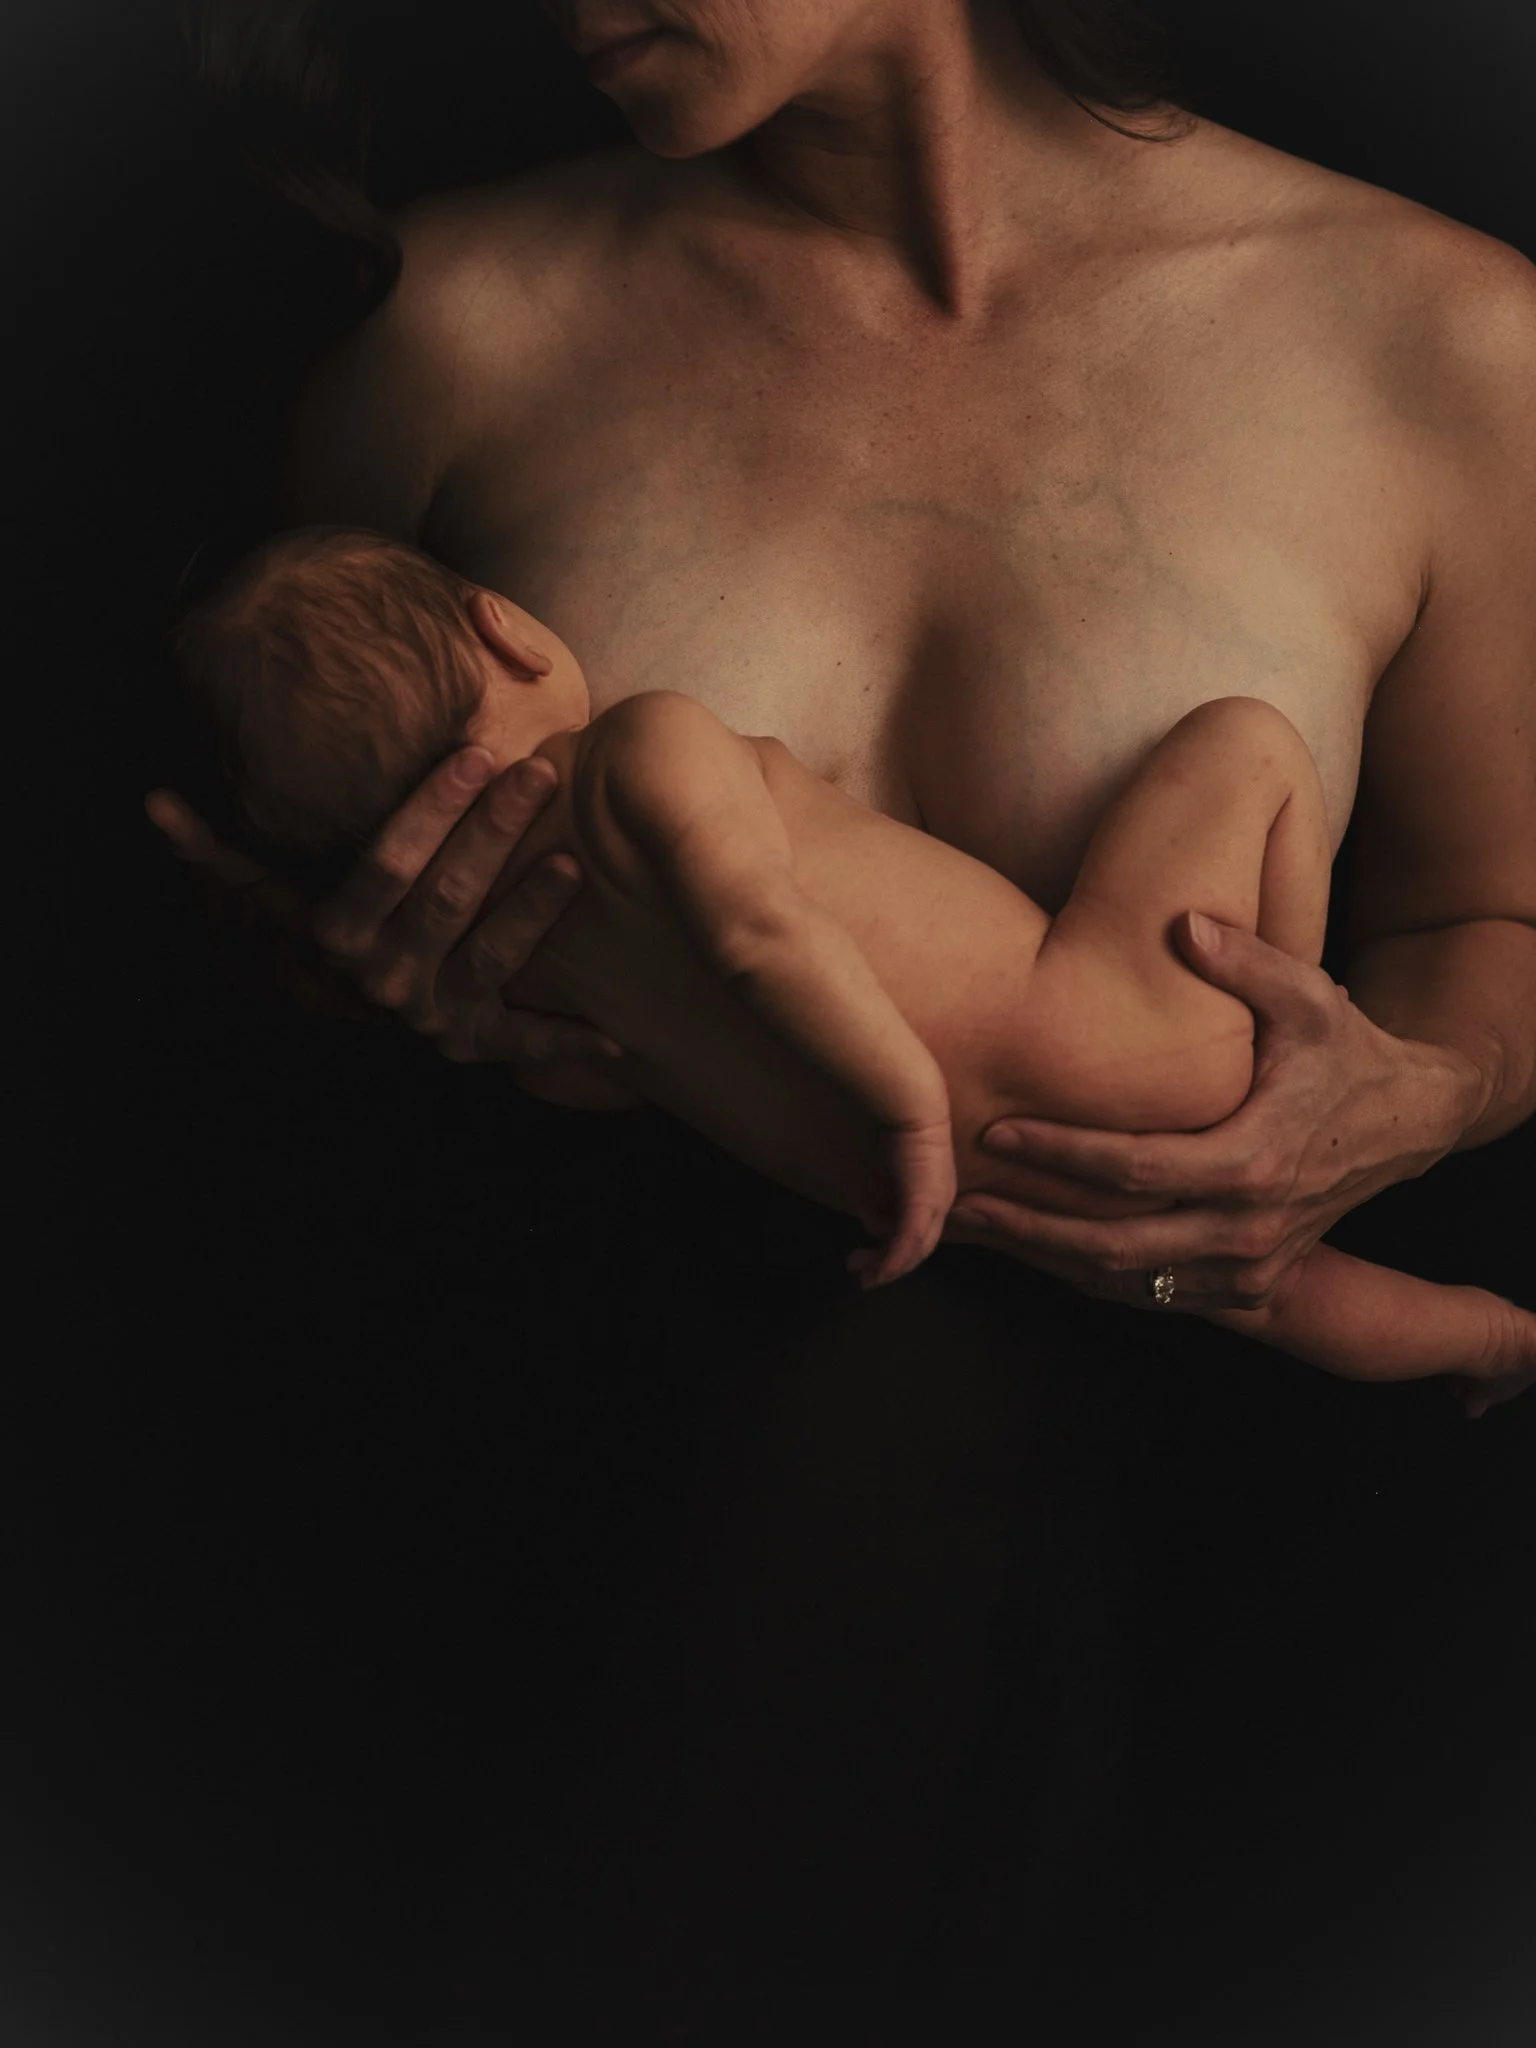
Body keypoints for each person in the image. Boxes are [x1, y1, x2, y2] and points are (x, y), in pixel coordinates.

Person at [144, 0, 1536, 2025]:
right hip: (593, 1576)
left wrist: (1413, 1091)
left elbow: (1503, 912)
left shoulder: (1445, 339)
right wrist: (369, 977)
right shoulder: (444, 328)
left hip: (1247, 1626)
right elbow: (309, 909)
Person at [171, 522, 1536, 1401]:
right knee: (1248, 740)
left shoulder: (526, 964)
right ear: (509, 630)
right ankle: (1290, 1004)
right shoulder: (635, 753)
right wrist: (903, 1106)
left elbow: (593, 1085)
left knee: (1259, 1294)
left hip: (994, 1200)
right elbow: (765, 931)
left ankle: (1490, 1341)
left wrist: (914, 1151)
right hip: (1094, 1041)